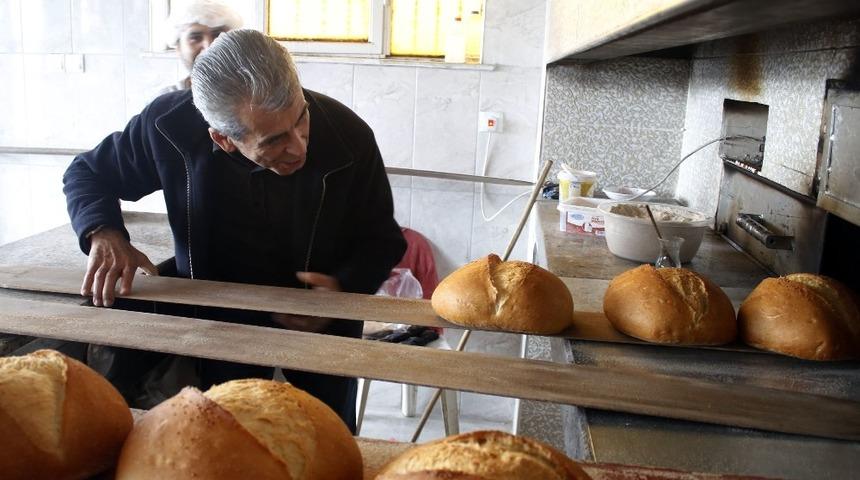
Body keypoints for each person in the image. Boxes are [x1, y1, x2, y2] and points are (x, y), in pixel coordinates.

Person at [63, 29, 406, 432]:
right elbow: (88, 173)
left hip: (321, 324)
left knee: (327, 438)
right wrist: (104, 232)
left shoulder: (349, 136)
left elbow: (382, 238)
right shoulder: (169, 126)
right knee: (229, 436)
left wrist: (341, 288)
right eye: (275, 140)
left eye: (301, 119)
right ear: (222, 139)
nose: (298, 147)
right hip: (221, 321)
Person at [160, 0, 243, 94]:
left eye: (218, 35)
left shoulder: (255, 97)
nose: (209, 47)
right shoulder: (164, 105)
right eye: (196, 38)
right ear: (179, 48)